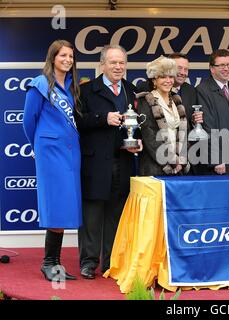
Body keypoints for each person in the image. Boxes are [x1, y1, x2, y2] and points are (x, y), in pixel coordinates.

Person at [75, 45, 142, 279]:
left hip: (122, 161)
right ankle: (88, 262)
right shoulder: (85, 90)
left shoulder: (131, 91)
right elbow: (77, 121)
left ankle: (110, 263)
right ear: (102, 64)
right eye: (113, 62)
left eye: (122, 63)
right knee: (91, 216)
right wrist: (103, 118)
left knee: (116, 216)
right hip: (94, 164)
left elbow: (136, 125)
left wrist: (138, 142)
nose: (118, 67)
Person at [23, 39, 81, 281]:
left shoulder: (71, 85)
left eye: (70, 56)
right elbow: (29, 121)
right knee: (56, 203)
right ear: (53, 58)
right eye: (63, 56)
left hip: (71, 152)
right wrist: (38, 145)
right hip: (50, 153)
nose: (67, 60)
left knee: (66, 204)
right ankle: (49, 263)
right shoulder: (39, 85)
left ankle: (54, 263)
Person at [136, 56, 190, 176]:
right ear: (154, 80)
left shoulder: (177, 100)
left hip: (179, 168)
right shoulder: (145, 101)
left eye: (171, 76)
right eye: (163, 76)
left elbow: (184, 132)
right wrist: (172, 161)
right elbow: (150, 137)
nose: (168, 80)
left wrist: (181, 160)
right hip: (155, 166)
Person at [196, 49, 229, 175]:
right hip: (216, 163)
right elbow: (206, 126)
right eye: (222, 65)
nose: (226, 68)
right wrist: (216, 159)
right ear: (212, 68)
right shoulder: (202, 90)